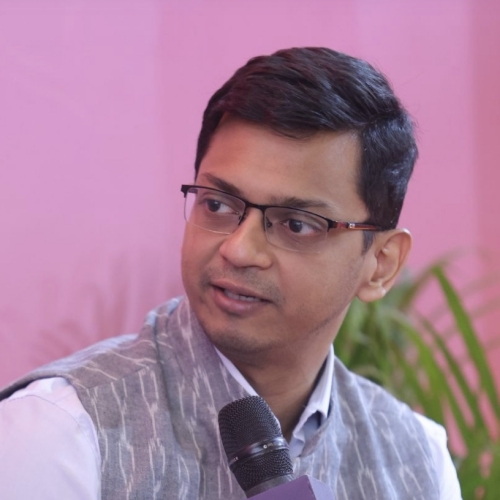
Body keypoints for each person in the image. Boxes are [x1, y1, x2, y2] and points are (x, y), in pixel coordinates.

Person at [0, 47, 462, 499]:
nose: (238, 249)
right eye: (218, 205)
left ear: (381, 264)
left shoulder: (418, 460)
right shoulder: (59, 433)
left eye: (296, 224)